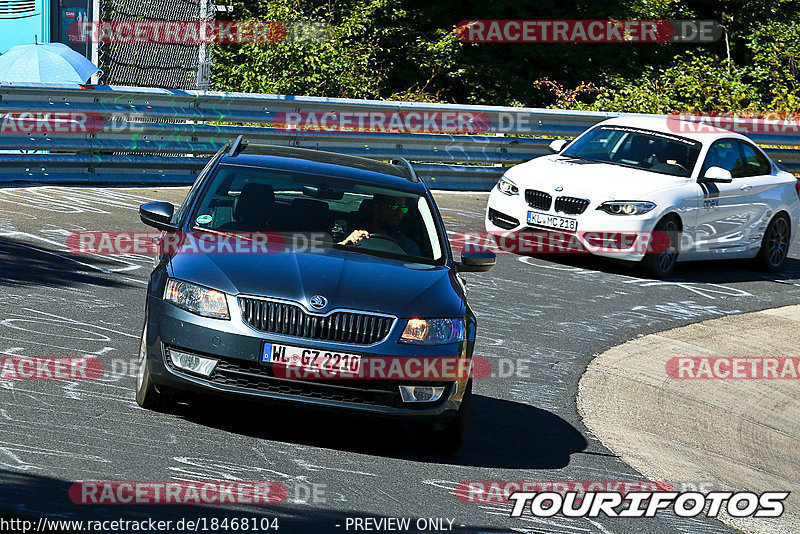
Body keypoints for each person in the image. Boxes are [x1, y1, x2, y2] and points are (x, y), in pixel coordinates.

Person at [339, 194, 422, 256]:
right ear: (377, 208)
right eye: (393, 206)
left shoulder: (408, 247)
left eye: (403, 208)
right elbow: (330, 255)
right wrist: (346, 243)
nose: (398, 212)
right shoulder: (350, 233)